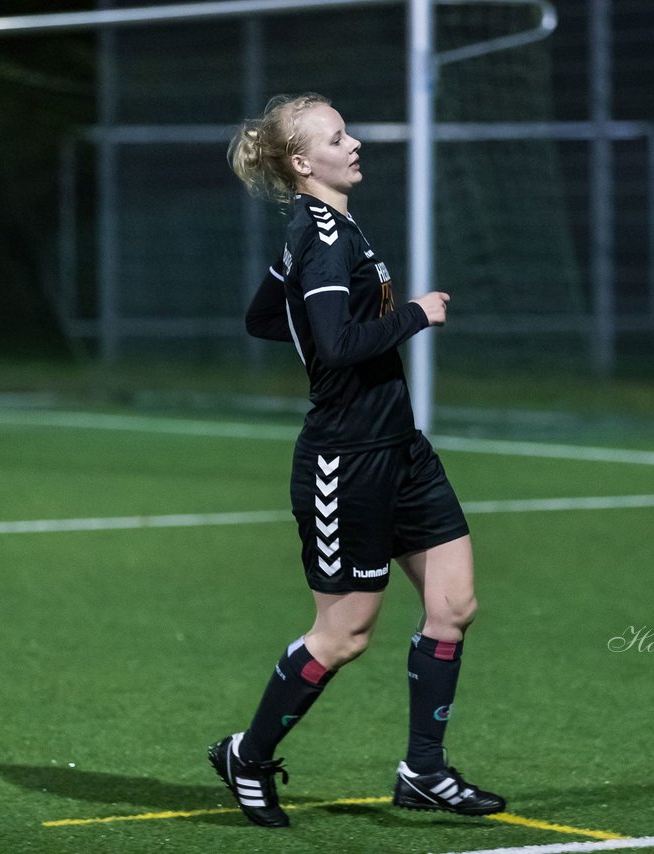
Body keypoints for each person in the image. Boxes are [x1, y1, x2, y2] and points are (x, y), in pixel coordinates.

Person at [207, 93, 505, 829]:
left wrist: (330, 323)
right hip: (347, 462)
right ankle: (247, 754)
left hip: (401, 451)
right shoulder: (323, 235)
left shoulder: (331, 227)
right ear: (304, 163)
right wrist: (414, 315)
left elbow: (261, 317)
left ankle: (423, 771)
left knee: (453, 606)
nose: (356, 142)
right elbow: (336, 348)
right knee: (344, 634)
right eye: (339, 137)